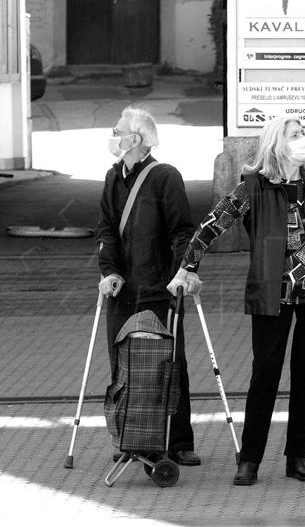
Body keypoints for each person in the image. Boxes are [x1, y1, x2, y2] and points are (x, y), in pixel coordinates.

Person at [169, 116, 305, 485]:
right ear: (277, 143)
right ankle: (250, 459)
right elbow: (212, 224)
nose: (303, 140)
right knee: (265, 374)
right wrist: (188, 267)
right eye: (295, 135)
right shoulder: (253, 188)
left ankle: (299, 456)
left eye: (303, 134)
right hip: (271, 295)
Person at [96, 106, 201, 466]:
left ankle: (179, 440)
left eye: (119, 129)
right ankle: (129, 437)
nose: (114, 134)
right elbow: (107, 229)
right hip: (123, 291)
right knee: (123, 366)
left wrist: (181, 275)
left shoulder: (165, 177)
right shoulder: (113, 177)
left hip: (160, 289)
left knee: (170, 365)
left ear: (137, 139)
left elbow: (183, 232)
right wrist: (109, 270)